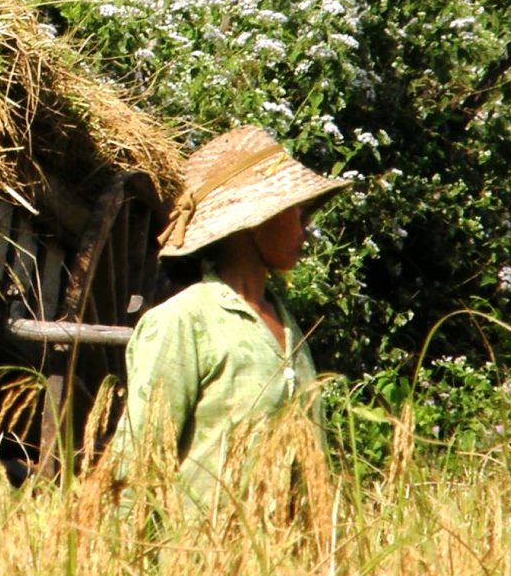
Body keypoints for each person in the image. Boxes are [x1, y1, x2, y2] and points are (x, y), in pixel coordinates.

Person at [109, 125, 349, 509]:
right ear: (254, 222)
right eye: (296, 211)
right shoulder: (182, 321)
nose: (307, 228)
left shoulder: (288, 327)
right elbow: (138, 463)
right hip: (199, 560)